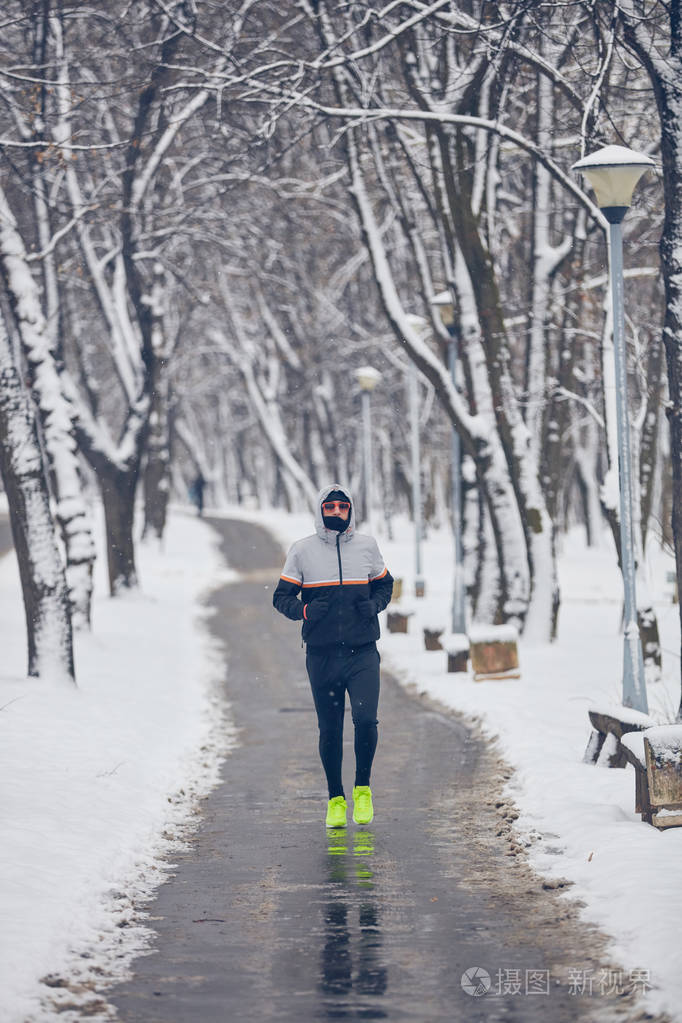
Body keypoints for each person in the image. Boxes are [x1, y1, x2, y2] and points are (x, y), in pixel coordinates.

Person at [273, 484, 393, 828]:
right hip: (322, 655)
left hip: (362, 652)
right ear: (320, 511)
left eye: (343, 507)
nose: (337, 512)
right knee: (330, 730)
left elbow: (385, 584)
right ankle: (336, 799)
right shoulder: (302, 551)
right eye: (331, 507)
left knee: (366, 721)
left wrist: (375, 605)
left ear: (351, 510)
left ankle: (362, 789)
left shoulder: (367, 546)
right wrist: (306, 611)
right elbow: (281, 598)